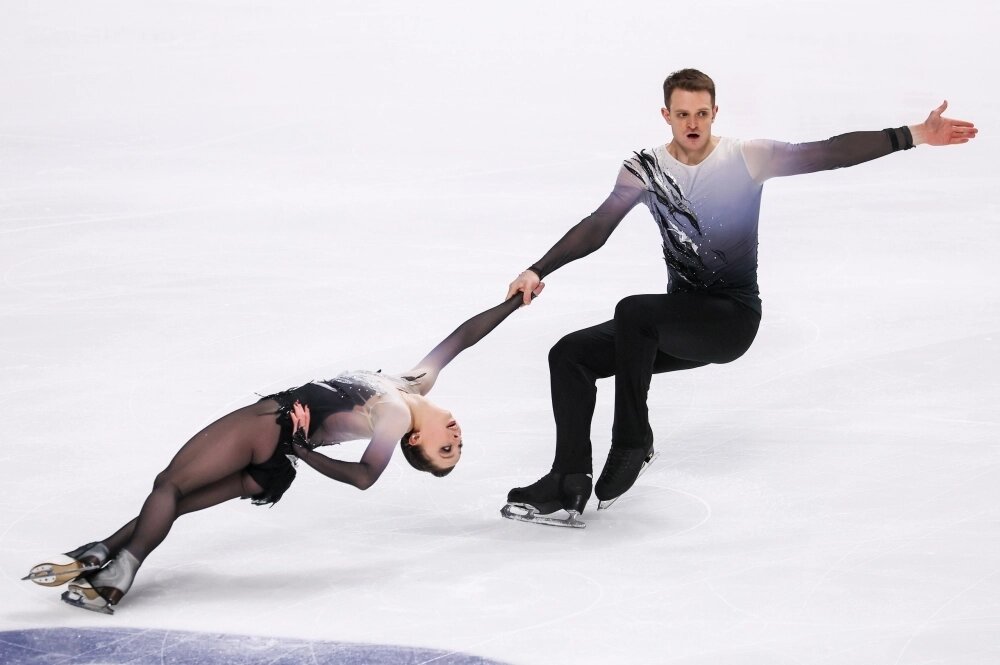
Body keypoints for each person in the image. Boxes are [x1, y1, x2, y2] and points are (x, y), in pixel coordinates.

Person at [501, 68, 978, 527]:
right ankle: (568, 481)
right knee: (569, 355)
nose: (693, 124)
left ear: (715, 113)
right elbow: (598, 226)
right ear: (666, 114)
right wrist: (538, 269)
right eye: (683, 114)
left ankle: (632, 438)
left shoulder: (746, 158)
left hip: (729, 320)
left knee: (634, 312)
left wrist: (915, 133)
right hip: (673, 322)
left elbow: (829, 152)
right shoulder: (644, 168)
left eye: (702, 114)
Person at [25, 294, 526, 613]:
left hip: (269, 429)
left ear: (417, 443)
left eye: (446, 449)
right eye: (459, 444)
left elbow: (365, 477)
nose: (456, 436)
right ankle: (99, 553)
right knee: (173, 499)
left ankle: (117, 572)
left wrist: (304, 451)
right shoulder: (411, 383)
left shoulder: (394, 415)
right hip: (274, 463)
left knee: (169, 485)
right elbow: (462, 338)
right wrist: (513, 302)